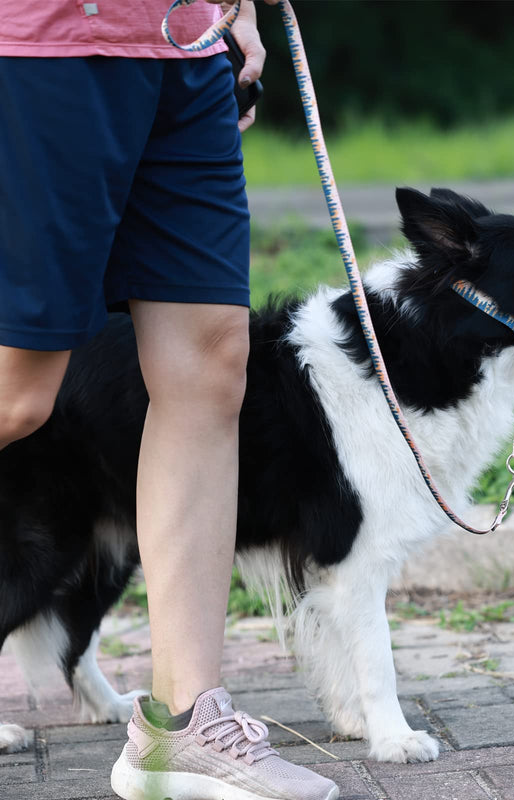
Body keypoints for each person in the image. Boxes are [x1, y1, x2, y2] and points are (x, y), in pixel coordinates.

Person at [0, 1, 338, 798]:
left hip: (182, 43)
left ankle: (184, 727)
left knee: (214, 363)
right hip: (43, 42)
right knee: (20, 395)